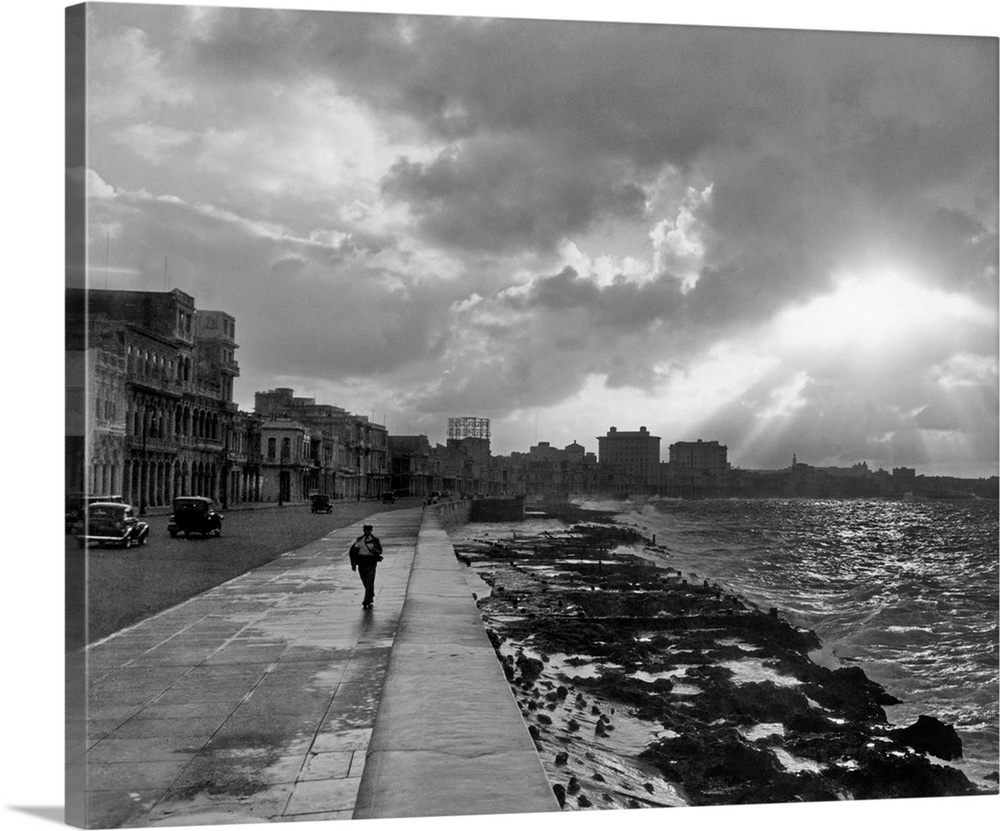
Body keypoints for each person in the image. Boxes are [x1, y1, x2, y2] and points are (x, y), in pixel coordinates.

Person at [349, 524, 383, 609]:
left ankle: (366, 600)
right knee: (364, 581)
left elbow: (380, 550)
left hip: (371, 562)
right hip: (362, 562)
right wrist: (353, 563)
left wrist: (376, 551)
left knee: (369, 581)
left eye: (368, 530)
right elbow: (353, 552)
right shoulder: (359, 540)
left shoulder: (375, 540)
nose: (367, 532)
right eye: (365, 530)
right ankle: (370, 595)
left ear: (371, 530)